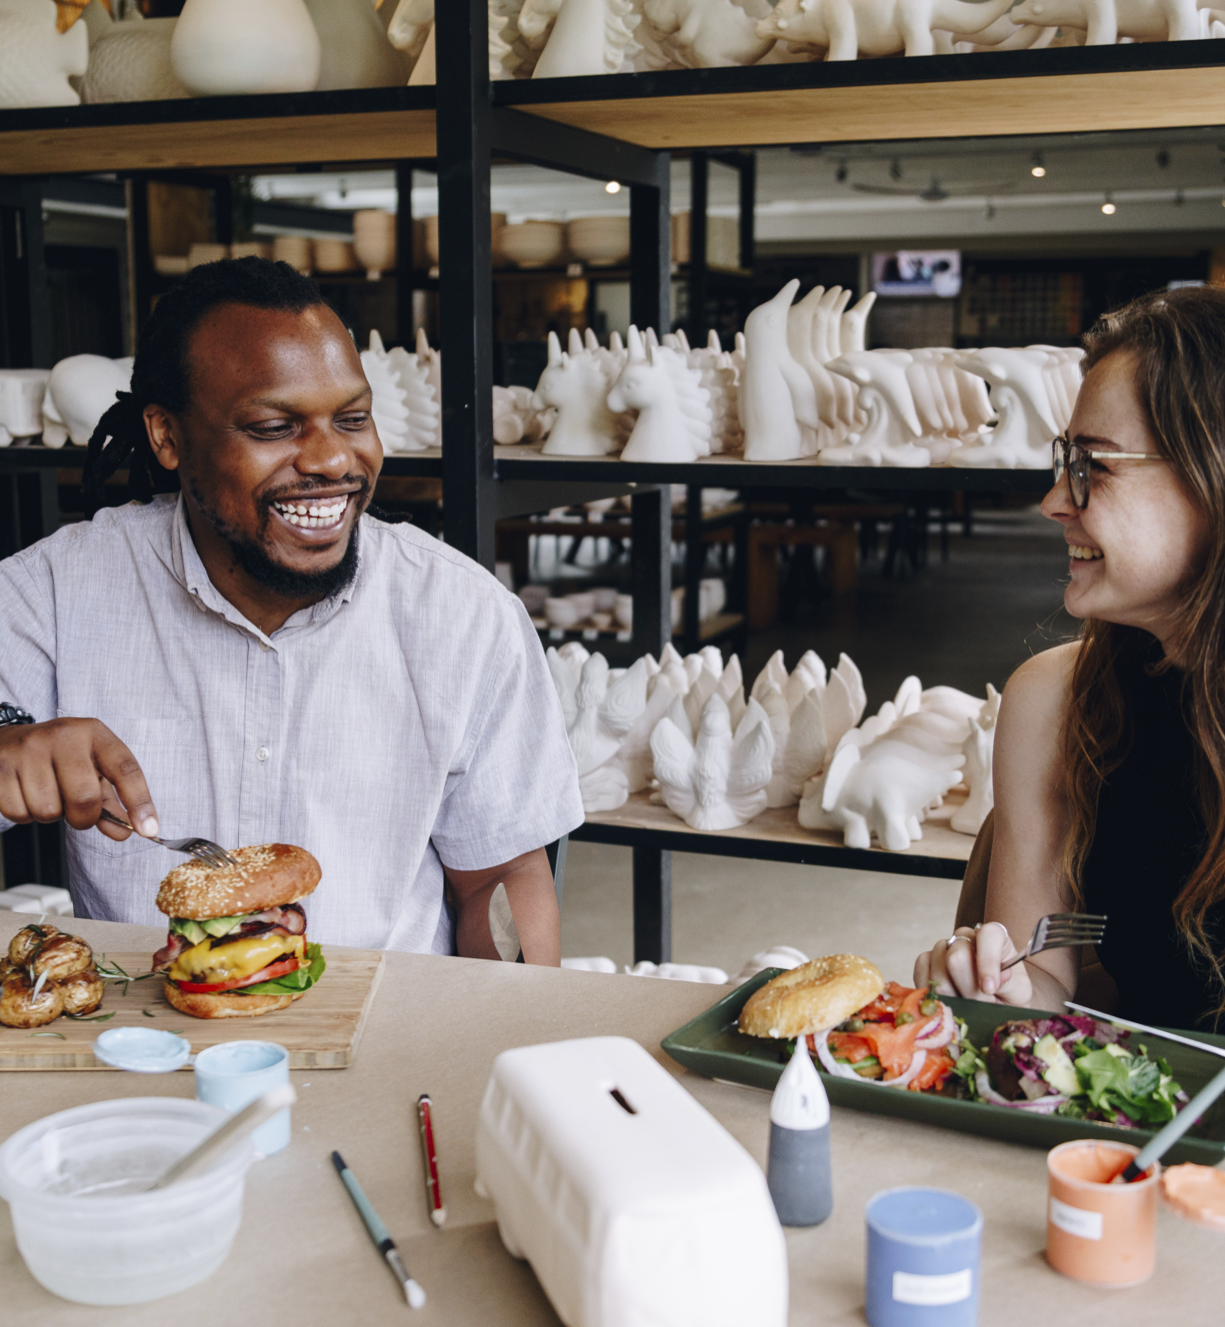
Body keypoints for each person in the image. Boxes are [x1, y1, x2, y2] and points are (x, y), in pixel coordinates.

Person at [0, 258, 583, 963]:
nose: (334, 460)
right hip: (135, 1043)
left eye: (353, 419)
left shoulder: (463, 616)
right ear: (167, 437)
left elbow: (498, 875)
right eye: (275, 426)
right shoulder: (53, 591)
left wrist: (502, 1039)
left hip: (386, 1034)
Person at [915, 286, 1225, 1030]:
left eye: (1093, 465)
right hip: (1131, 1133)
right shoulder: (1055, 702)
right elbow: (1046, 986)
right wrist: (996, 985)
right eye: (1064, 461)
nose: (1055, 500)